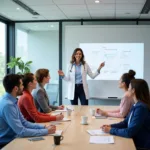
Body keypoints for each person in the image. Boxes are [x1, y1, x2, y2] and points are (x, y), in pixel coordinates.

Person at [0, 74, 56, 149]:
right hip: (8, 143)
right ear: (16, 88)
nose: (23, 87)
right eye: (21, 85)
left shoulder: (11, 100)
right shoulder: (8, 105)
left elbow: (24, 122)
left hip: (16, 138)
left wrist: (44, 127)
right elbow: (21, 131)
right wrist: (46, 131)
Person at [101, 79, 150, 149]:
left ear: (133, 90)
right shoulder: (136, 105)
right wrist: (110, 126)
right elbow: (125, 123)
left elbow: (129, 132)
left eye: (129, 87)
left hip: (141, 146)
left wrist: (110, 130)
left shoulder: (141, 108)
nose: (128, 89)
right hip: (135, 142)